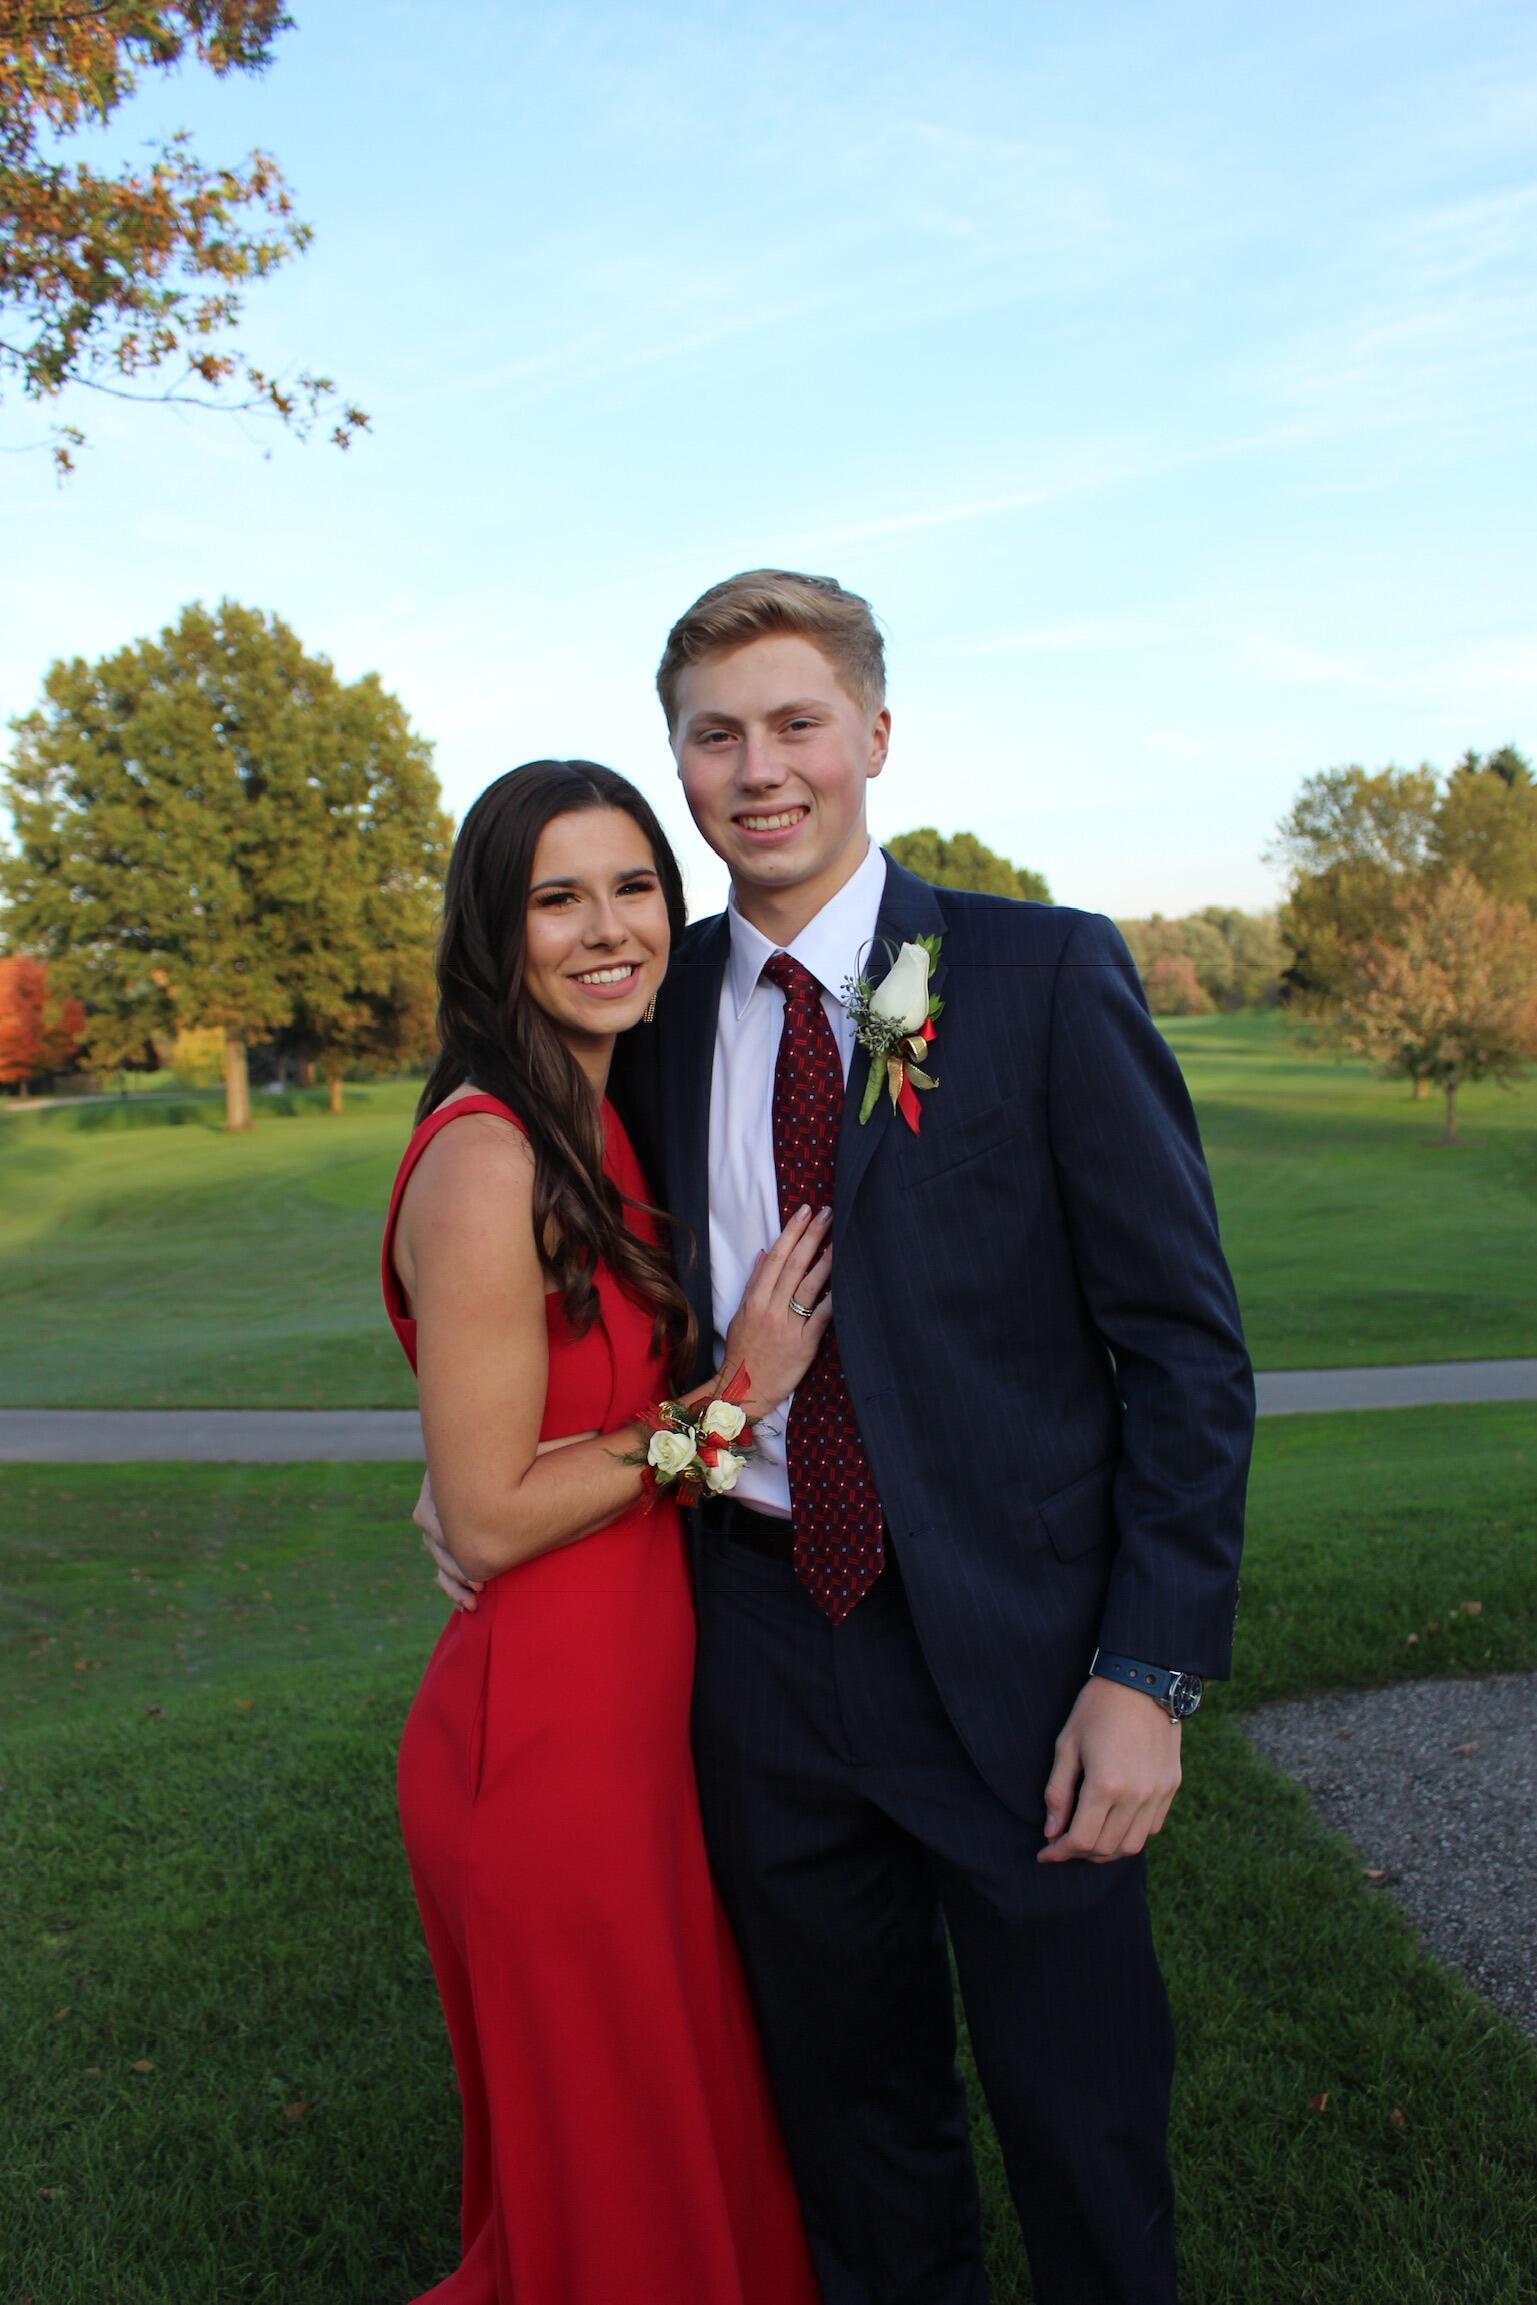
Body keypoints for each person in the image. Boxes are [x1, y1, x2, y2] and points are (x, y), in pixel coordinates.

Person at [424, 576, 1255, 2305]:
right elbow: (538, 1268)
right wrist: (465, 1465)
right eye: (715, 736)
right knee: (853, 2127)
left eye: (794, 722)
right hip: (752, 1649)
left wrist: (1150, 1670)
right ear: (681, 762)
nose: (758, 768)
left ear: (873, 735)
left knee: (1080, 2118)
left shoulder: (1034, 971)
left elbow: (1181, 1350)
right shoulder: (646, 1007)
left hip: (1026, 1656)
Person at [382, 758, 826, 2305]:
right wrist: (731, 1399)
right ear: (492, 932)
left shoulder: (599, 1116)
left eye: (631, 884)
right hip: (543, 1753)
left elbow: (508, 1442)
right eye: (554, 897)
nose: (605, 927)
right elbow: (496, 1516)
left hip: (637, 1722)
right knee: (611, 2187)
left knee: (675, 2131)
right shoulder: (492, 1153)